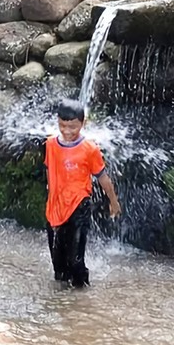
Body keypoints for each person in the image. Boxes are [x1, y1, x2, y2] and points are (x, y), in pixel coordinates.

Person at [44, 99, 121, 288]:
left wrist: (113, 201)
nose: (67, 131)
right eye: (63, 126)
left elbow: (102, 177)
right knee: (58, 263)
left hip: (79, 206)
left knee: (76, 260)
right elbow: (49, 168)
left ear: (82, 123)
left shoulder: (90, 149)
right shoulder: (51, 145)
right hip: (55, 207)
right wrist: (51, 192)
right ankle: (63, 303)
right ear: (57, 122)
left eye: (73, 127)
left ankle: (81, 296)